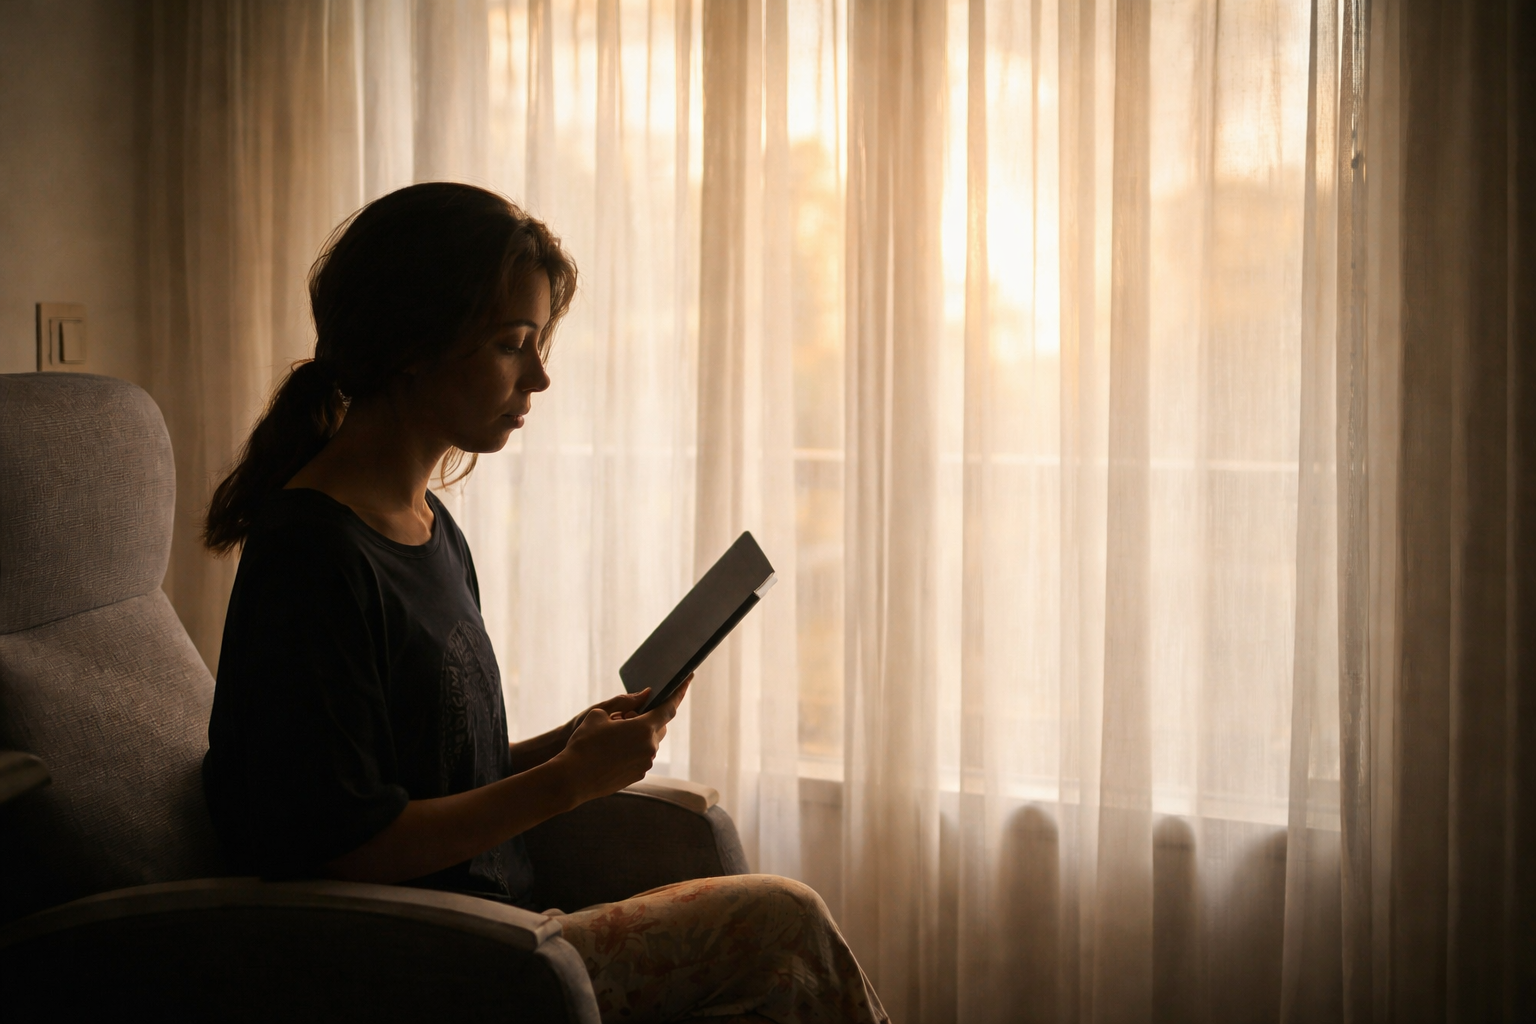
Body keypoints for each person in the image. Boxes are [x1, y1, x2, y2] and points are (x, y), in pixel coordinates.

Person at [200, 182, 887, 1024]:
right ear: (412, 345)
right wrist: (567, 785)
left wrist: (572, 745)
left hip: (507, 929)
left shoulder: (426, 525)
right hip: (432, 959)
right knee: (781, 921)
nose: (540, 375)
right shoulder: (312, 557)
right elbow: (346, 845)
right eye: (510, 344)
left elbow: (434, 776)